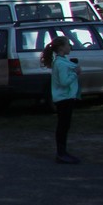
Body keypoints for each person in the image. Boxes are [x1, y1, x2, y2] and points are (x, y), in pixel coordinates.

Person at [41, 35, 80, 164]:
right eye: (68, 44)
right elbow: (64, 82)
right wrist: (75, 74)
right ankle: (61, 153)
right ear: (61, 47)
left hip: (65, 97)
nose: (70, 47)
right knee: (63, 125)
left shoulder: (61, 61)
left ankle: (63, 152)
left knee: (64, 125)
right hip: (64, 98)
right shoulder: (60, 63)